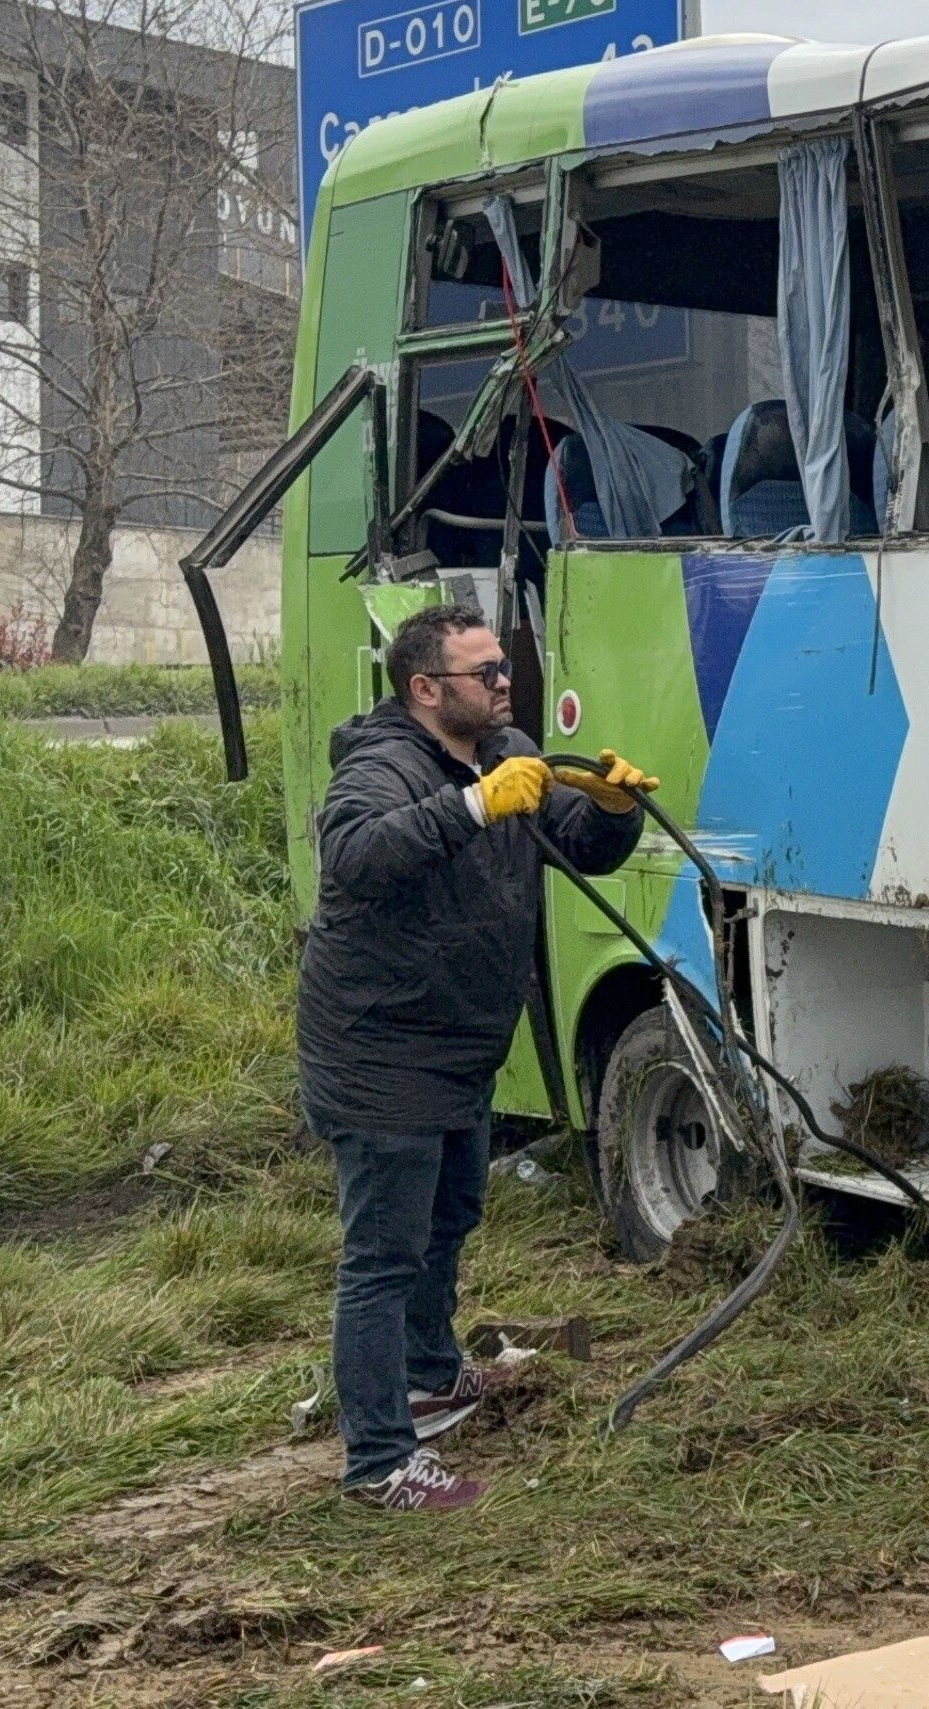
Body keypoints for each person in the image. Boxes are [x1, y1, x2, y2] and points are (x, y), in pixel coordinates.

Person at [299, 602, 655, 1510]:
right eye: (484, 674)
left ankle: (430, 1375)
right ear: (425, 689)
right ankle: (380, 1462)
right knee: (382, 1254)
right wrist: (469, 807)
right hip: (380, 1052)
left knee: (450, 1217)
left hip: (459, 1048)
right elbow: (355, 854)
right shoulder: (380, 765)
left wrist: (614, 812)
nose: (505, 684)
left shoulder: (508, 753)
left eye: (505, 669)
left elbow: (582, 846)